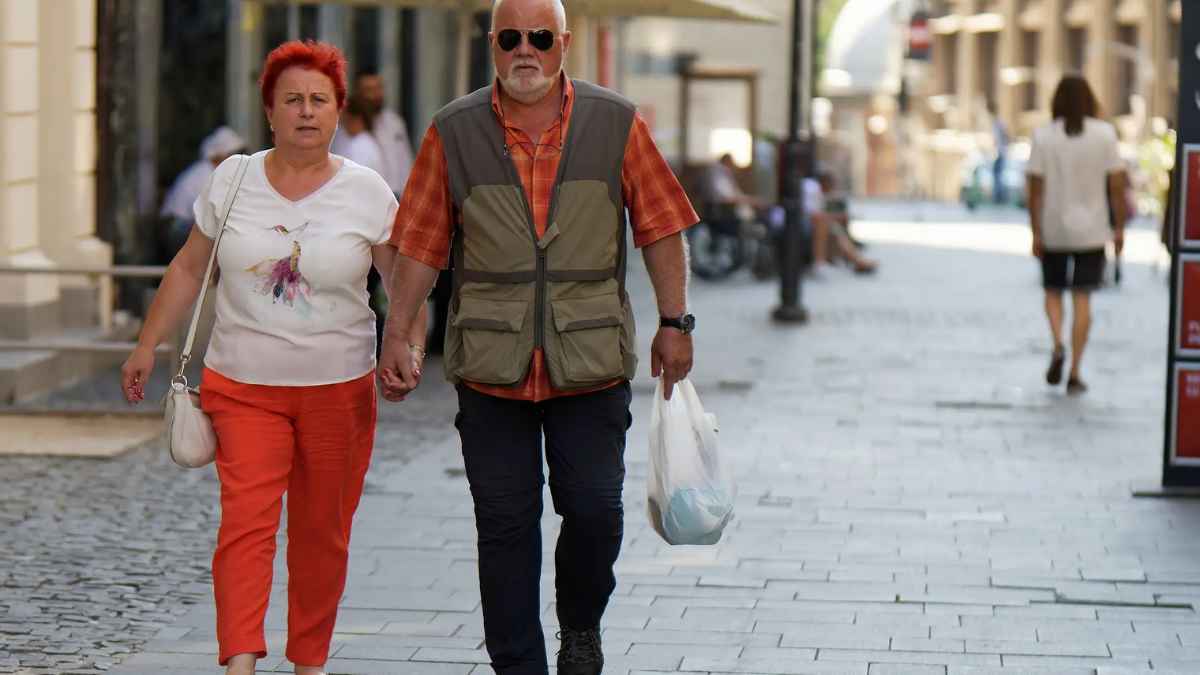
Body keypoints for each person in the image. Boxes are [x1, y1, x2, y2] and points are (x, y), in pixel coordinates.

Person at [378, 0, 699, 672]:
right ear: (493, 44)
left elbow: (662, 224)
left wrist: (675, 321)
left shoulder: (615, 121)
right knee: (503, 524)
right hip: (492, 362)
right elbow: (421, 244)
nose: (526, 51)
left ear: (564, 45)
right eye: (512, 38)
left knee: (594, 510)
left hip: (590, 360)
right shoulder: (454, 130)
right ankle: (516, 664)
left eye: (541, 38)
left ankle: (579, 624)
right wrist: (398, 332)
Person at [119, 40, 427, 675]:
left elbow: (405, 286)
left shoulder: (368, 192)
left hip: (338, 390)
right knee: (246, 526)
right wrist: (147, 344)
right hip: (243, 384)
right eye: (293, 100)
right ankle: (239, 661)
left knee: (321, 536)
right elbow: (188, 267)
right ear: (269, 110)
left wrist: (409, 343)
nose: (306, 112)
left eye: (319, 100)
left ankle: (309, 661)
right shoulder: (231, 179)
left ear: (339, 111)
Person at [1026, 75, 1128, 395]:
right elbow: (1116, 188)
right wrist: (1119, 228)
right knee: (1082, 299)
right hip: (1093, 231)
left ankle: (1057, 343)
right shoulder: (1105, 135)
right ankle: (1075, 370)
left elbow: (1035, 191)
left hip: (1054, 228)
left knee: (1053, 291)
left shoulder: (1044, 137)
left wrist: (1036, 232)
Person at [160, 126, 246, 260]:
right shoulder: (205, 173)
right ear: (220, 155)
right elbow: (211, 213)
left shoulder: (210, 171)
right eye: (233, 155)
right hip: (177, 227)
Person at [807, 170, 877, 275]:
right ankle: (855, 260)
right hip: (812, 222)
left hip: (819, 222)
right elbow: (814, 215)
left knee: (836, 228)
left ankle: (855, 259)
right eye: (832, 185)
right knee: (831, 226)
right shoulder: (812, 190)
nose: (833, 188)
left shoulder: (818, 192)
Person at [338, 93, 385, 177]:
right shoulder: (365, 142)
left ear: (354, 118)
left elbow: (352, 179)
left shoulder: (361, 146)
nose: (341, 120)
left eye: (344, 114)